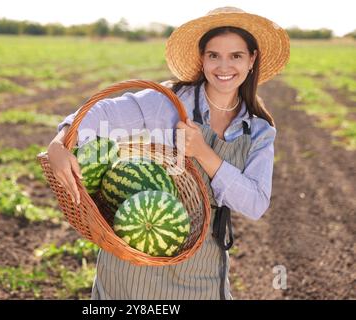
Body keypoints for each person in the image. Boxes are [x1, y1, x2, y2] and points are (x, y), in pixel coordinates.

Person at [47, 6, 290, 300]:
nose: (223, 67)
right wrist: (60, 142)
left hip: (203, 262)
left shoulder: (259, 131)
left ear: (252, 59)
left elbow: (255, 203)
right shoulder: (168, 101)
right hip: (134, 262)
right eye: (214, 55)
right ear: (202, 59)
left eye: (235, 56)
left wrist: (203, 153)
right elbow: (101, 113)